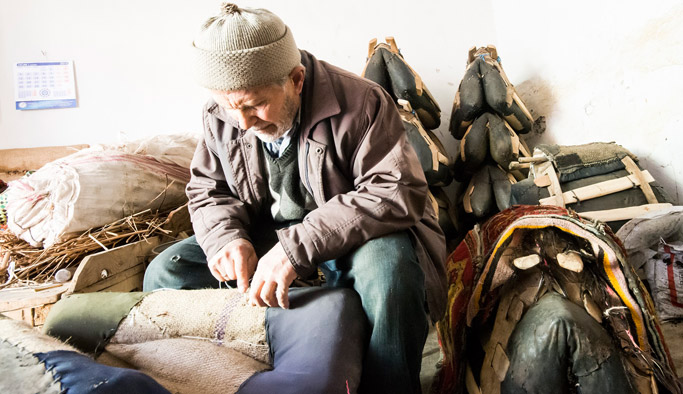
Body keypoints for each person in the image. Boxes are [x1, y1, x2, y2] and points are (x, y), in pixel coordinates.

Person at [143, 3, 447, 393]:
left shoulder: (362, 101)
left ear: (297, 80)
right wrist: (226, 239)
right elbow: (207, 188)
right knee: (168, 272)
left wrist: (294, 249)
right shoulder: (224, 114)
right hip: (270, 236)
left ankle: (386, 385)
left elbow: (394, 190)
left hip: (351, 236)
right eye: (229, 107)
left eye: (255, 104)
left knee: (390, 271)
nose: (244, 122)